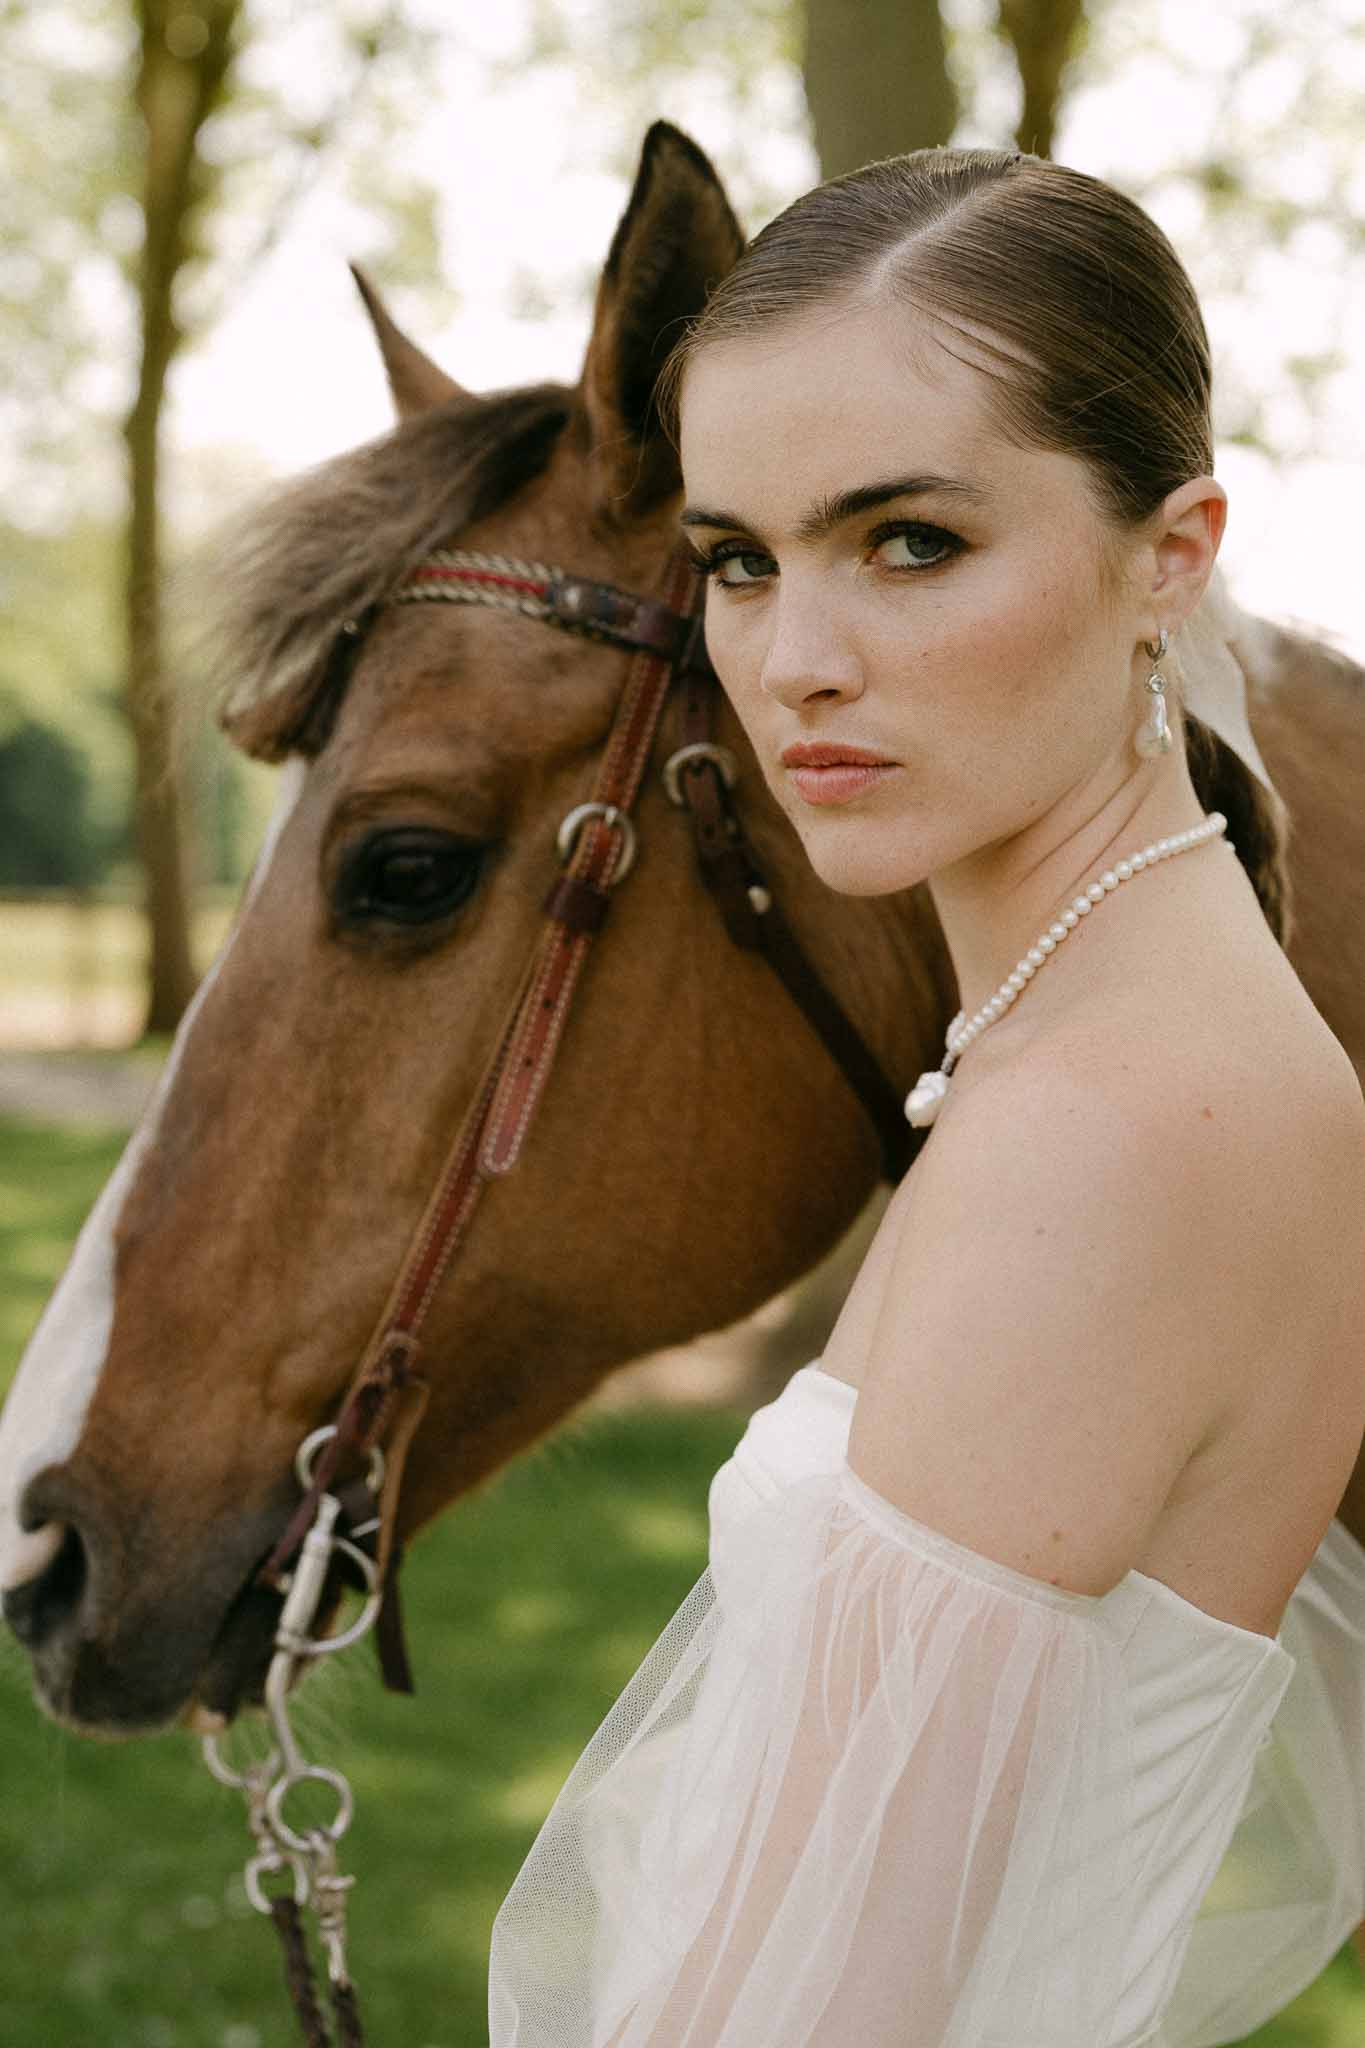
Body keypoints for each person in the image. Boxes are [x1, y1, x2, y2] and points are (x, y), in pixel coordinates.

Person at [487, 148, 1365, 2046]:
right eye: (739, 560)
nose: (793, 665)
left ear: (1171, 556)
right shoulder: (1119, 1047)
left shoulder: (1108, 1128)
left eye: (907, 543)